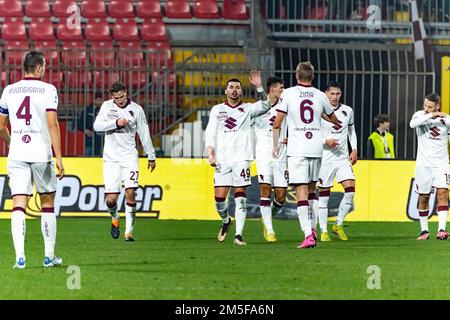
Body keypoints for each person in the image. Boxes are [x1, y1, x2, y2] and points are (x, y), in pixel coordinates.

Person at [0, 50, 64, 269]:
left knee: (18, 203)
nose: (44, 69)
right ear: (38, 67)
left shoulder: (9, 90)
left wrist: (13, 143)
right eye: (43, 66)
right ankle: (48, 257)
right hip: (41, 154)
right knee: (47, 203)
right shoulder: (48, 90)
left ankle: (20, 258)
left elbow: (0, 127)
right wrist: (59, 157)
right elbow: (52, 124)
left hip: (17, 153)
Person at [272, 61, 338, 249]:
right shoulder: (320, 95)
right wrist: (318, 117)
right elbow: (334, 120)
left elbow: (277, 123)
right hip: (316, 147)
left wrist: (275, 146)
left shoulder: (288, 94)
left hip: (298, 148)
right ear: (313, 77)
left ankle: (308, 234)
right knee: (312, 190)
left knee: (300, 190)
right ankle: (314, 229)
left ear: (296, 75)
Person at [205, 70, 270, 246]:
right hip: (222, 159)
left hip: (242, 158)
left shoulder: (248, 109)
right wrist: (211, 152)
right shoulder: (217, 110)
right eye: (231, 87)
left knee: (240, 195)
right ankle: (226, 221)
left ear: (241, 92)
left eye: (237, 87)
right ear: (226, 91)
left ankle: (239, 235)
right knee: (219, 199)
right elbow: (210, 132)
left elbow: (266, 105)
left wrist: (259, 87)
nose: (234, 90)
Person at [93, 82, 156, 242]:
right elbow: (97, 126)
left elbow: (144, 133)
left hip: (129, 158)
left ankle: (129, 232)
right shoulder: (107, 107)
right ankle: (115, 217)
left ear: (126, 93)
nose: (120, 100)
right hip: (111, 159)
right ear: (112, 97)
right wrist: (115, 123)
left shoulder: (136, 110)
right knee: (110, 199)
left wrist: (151, 155)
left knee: (130, 193)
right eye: (116, 98)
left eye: (122, 96)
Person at [317, 81, 357, 242]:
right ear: (326, 94)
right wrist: (325, 141)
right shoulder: (318, 111)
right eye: (332, 94)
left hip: (342, 159)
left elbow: (351, 131)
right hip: (324, 159)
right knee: (324, 196)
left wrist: (354, 149)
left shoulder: (347, 111)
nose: (335, 97)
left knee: (351, 190)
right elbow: (311, 134)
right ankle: (323, 230)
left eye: (337, 94)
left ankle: (338, 224)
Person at [409, 93, 450, 240]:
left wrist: (443, 118)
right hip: (423, 164)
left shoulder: (446, 120)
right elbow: (412, 124)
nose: (426, 108)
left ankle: (441, 230)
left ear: (437, 106)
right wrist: (431, 115)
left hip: (441, 164)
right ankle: (424, 231)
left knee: (443, 193)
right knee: (424, 196)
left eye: (430, 106)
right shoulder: (419, 116)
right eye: (425, 105)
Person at [252, 76, 287, 243]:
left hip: (281, 154)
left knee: (281, 196)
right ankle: (270, 229)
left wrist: (290, 138)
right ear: (272, 89)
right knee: (265, 188)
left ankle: (267, 218)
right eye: (281, 88)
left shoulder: (286, 106)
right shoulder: (258, 108)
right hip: (264, 154)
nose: (283, 90)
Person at [77, 92, 103, 156]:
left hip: (101, 141)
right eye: (97, 100)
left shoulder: (104, 111)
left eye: (100, 100)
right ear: (94, 100)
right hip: (89, 141)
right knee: (87, 158)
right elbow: (79, 124)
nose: (99, 102)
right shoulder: (87, 110)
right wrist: (85, 130)